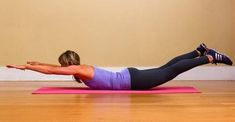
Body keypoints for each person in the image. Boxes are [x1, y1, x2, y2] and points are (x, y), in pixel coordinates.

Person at [7, 43, 233, 90]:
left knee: (171, 71)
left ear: (69, 65)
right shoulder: (80, 67)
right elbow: (52, 67)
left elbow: (52, 71)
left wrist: (26, 68)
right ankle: (198, 51)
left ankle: (210, 57)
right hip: (129, 76)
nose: (61, 68)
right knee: (166, 67)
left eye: (62, 66)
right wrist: (35, 62)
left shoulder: (79, 70)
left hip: (132, 81)